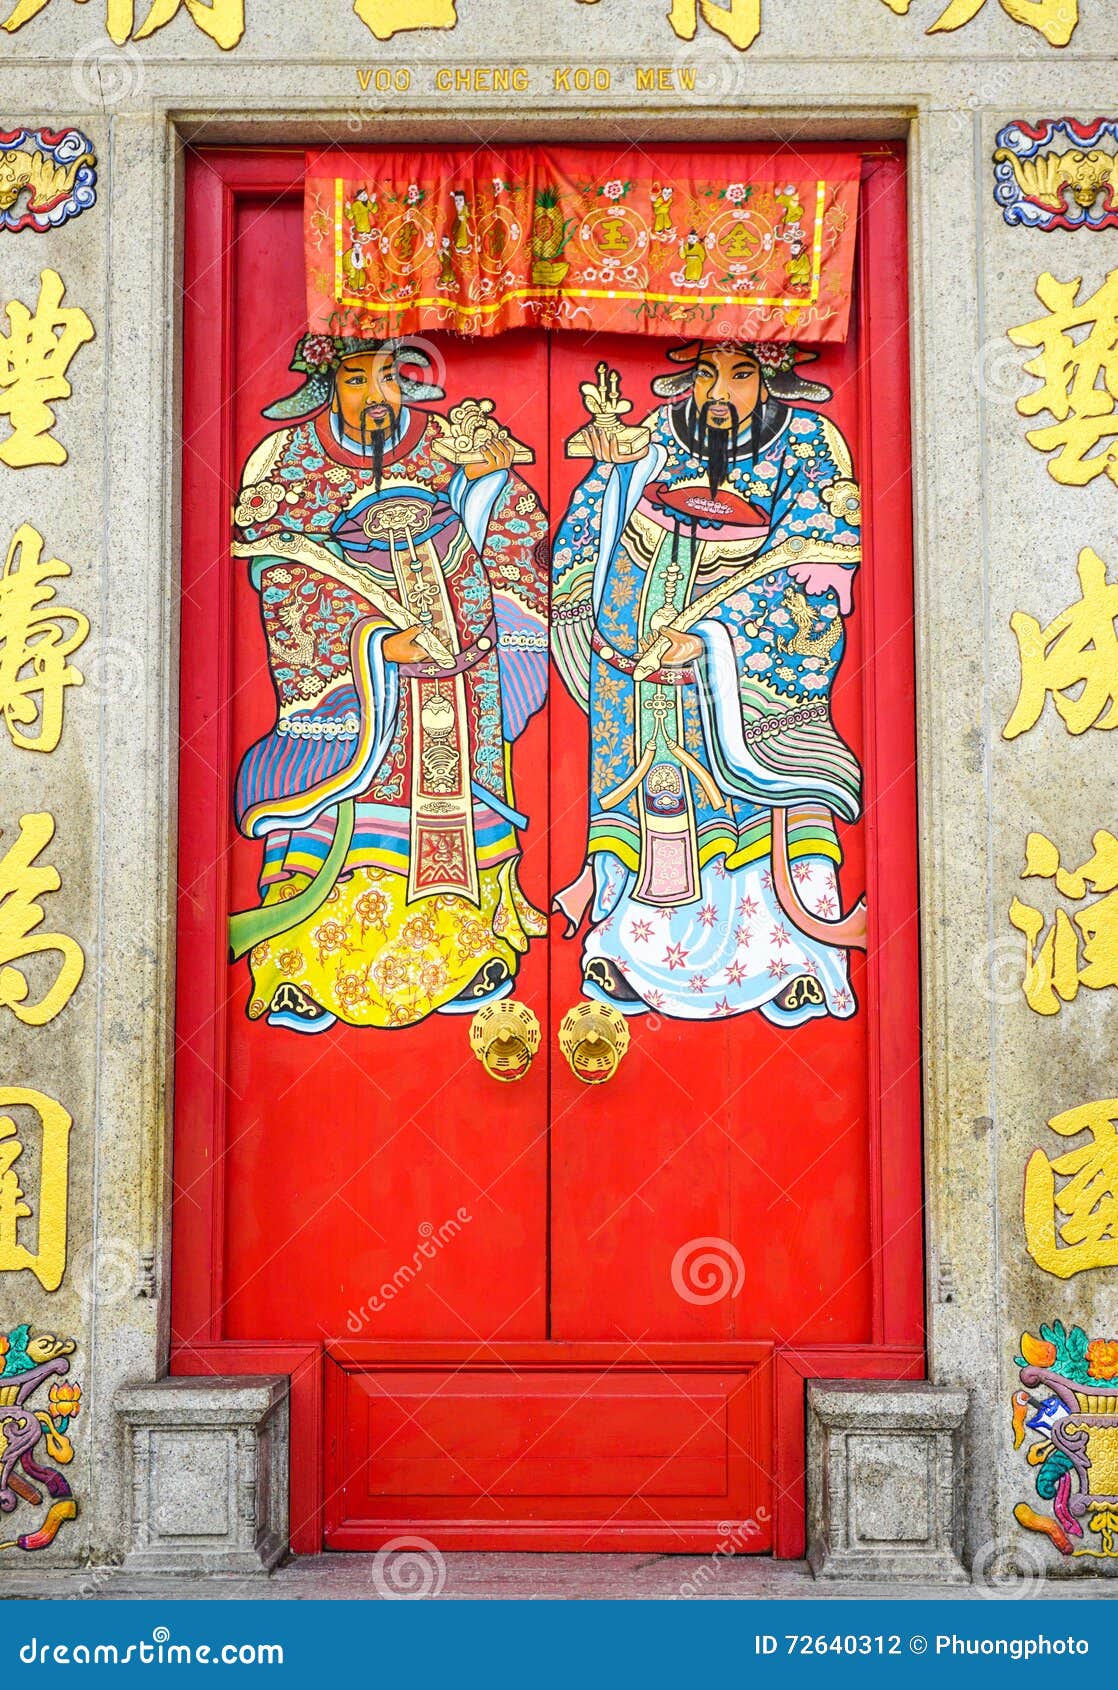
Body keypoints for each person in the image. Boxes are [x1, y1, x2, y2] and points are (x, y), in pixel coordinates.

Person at [230, 335, 549, 1032]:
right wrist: (373, 644)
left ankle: (469, 955)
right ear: (325, 385)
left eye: (389, 377)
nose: (376, 397)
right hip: (352, 698)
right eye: (354, 378)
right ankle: (300, 967)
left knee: (454, 815)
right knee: (331, 816)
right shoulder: (288, 462)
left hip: (456, 683)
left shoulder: (447, 441)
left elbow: (514, 536)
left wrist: (484, 486)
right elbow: (284, 575)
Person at [551, 339, 864, 1026]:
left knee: (761, 793)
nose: (719, 393)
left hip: (744, 671)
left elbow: (814, 572)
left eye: (741, 374)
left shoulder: (809, 444)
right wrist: (596, 612)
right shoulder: (659, 432)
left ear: (772, 380)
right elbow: (587, 526)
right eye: (706, 373)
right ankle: (629, 950)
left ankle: (793, 960)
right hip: (641, 660)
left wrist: (719, 640)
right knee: (654, 802)